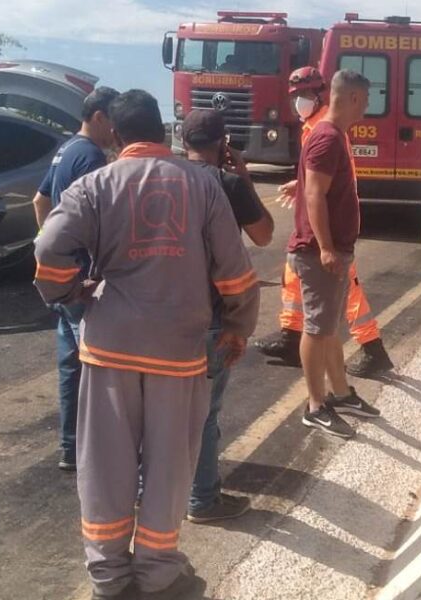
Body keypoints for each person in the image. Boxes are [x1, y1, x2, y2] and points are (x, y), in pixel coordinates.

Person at [34, 89, 260, 600]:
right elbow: (235, 271)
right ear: (164, 131)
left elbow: (48, 248)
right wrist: (239, 326)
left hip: (110, 348)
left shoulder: (94, 185)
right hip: (179, 353)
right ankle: (158, 574)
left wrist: (68, 294)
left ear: (115, 135)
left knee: (106, 468)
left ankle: (109, 580)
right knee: (169, 466)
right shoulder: (203, 186)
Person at [256, 66, 395, 378]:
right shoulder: (313, 126)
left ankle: (372, 349)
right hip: (322, 229)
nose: (299, 102)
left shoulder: (324, 129)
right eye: (295, 96)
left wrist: (326, 245)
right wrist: (301, 183)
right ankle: (290, 337)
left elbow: (326, 185)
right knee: (292, 278)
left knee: (347, 293)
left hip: (328, 231)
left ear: (323, 95)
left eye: (304, 95)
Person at [180, 109, 274, 523]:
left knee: (160, 411)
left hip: (162, 316)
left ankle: (152, 494)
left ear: (183, 141)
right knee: (204, 414)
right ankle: (202, 500)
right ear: (223, 143)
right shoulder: (229, 183)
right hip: (212, 316)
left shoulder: (166, 179)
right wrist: (245, 178)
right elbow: (265, 234)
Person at [30, 86, 120, 471]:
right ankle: (95, 453)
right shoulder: (92, 157)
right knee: (99, 368)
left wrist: (52, 247)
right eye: (113, 120)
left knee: (70, 365)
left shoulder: (66, 150)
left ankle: (70, 447)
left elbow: (40, 201)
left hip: (63, 275)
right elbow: (102, 220)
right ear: (99, 116)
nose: (116, 129)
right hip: (84, 278)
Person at [289, 70, 382, 439]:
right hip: (318, 253)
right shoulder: (327, 137)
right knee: (316, 329)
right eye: (368, 99)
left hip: (332, 251)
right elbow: (314, 195)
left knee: (328, 329)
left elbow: (315, 185)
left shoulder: (331, 135)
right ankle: (315, 405)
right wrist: (326, 247)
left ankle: (340, 393)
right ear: (355, 98)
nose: (369, 107)